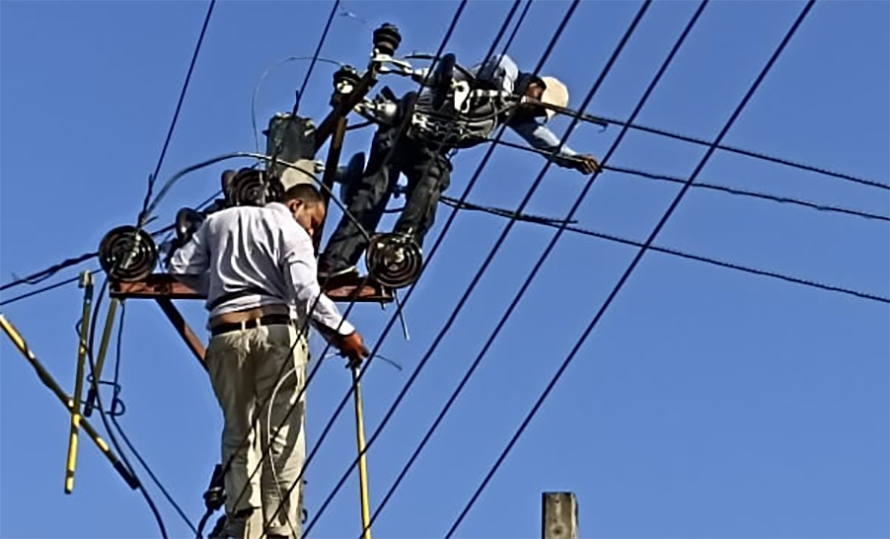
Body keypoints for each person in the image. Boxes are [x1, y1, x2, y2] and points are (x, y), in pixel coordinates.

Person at [167, 182, 369, 539]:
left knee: (238, 432)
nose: (312, 230)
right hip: (275, 333)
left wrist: (220, 286)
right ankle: (280, 528)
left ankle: (245, 522)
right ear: (295, 205)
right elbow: (306, 292)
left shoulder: (218, 222)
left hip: (226, 336)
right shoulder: (290, 231)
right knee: (283, 435)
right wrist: (344, 333)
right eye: (313, 221)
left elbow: (180, 267)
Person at [318, 53, 601, 279]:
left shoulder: (511, 115)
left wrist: (572, 159)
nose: (534, 111)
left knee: (435, 179)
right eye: (538, 104)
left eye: (540, 112)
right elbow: (500, 64)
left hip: (429, 147)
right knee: (374, 192)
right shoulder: (505, 75)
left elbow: (542, 140)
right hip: (405, 122)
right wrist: (504, 94)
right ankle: (335, 264)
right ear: (535, 85)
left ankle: (400, 250)